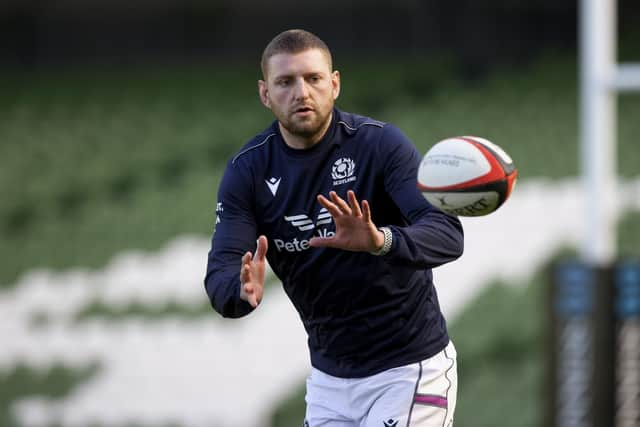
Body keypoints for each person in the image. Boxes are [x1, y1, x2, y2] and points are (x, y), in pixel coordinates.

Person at [205, 29, 464, 427]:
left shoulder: (381, 146)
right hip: (330, 382)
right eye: (285, 82)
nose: (301, 92)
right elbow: (222, 269)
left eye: (313, 78)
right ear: (265, 93)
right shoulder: (248, 171)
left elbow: (447, 233)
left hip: (409, 369)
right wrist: (238, 291)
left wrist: (380, 240)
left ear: (335, 84)